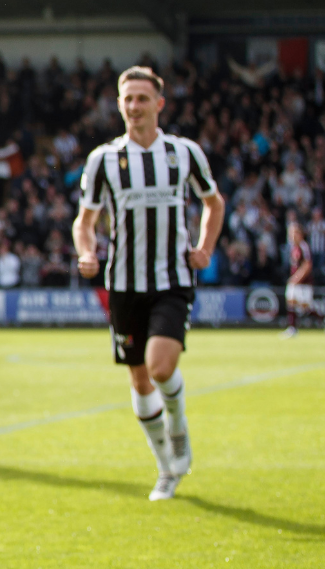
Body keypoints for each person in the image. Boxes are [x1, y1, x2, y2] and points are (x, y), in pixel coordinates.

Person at [72, 66, 226, 501]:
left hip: (171, 279)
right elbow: (85, 221)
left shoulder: (184, 154)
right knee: (140, 380)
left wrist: (205, 247)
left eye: (143, 98)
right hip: (123, 284)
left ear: (159, 104)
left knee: (161, 367)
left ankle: (178, 430)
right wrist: (86, 251)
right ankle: (166, 468)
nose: (135, 106)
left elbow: (213, 202)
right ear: (120, 105)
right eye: (128, 99)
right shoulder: (103, 159)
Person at [281, 221, 325, 337]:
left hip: (304, 283)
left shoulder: (304, 246)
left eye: (294, 233)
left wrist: (297, 278)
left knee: (306, 308)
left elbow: (307, 265)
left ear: (300, 234)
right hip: (296, 282)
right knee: (291, 301)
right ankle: (292, 328)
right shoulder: (293, 248)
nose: (292, 236)